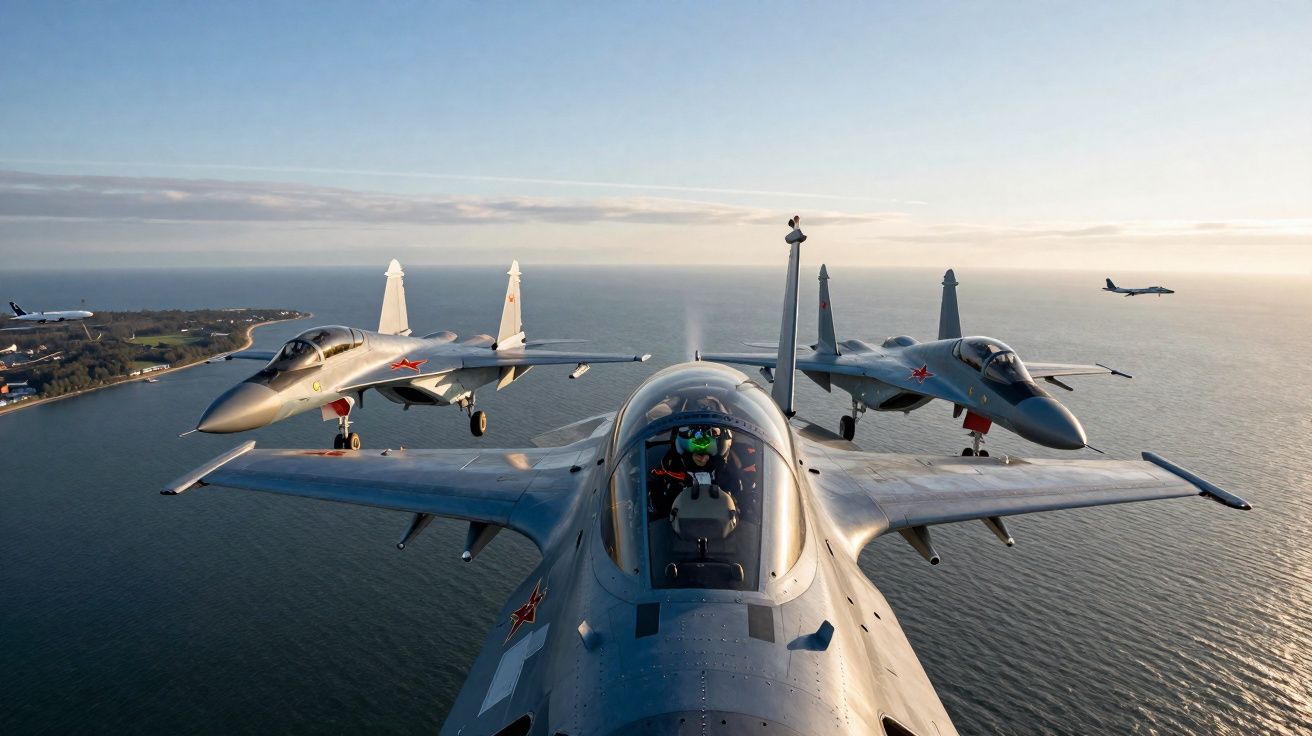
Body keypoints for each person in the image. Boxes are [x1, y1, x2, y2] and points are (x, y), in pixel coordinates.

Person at [648, 425, 739, 520]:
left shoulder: (731, 470)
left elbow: (744, 501)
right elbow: (657, 505)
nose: (702, 458)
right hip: (676, 527)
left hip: (723, 526)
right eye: (698, 453)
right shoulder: (669, 468)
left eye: (706, 453)